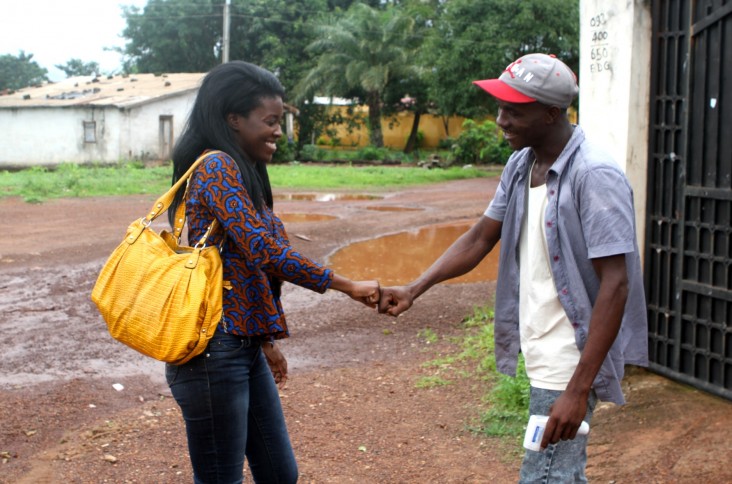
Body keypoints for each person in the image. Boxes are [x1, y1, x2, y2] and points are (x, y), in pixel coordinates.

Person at [378, 53, 648, 482]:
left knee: (545, 476)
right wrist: (415, 287)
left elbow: (616, 283)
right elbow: (481, 237)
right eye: (500, 107)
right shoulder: (521, 165)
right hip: (539, 348)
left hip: (568, 355)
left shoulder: (594, 174)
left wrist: (578, 389)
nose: (500, 120)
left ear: (551, 113)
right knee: (558, 474)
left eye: (513, 110)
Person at [166, 60, 380, 483]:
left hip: (240, 345)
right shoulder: (215, 167)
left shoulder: (245, 173)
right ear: (233, 119)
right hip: (213, 352)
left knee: (280, 474)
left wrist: (263, 340)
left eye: (279, 121)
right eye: (270, 121)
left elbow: (247, 269)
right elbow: (266, 252)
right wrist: (347, 285)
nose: (278, 131)